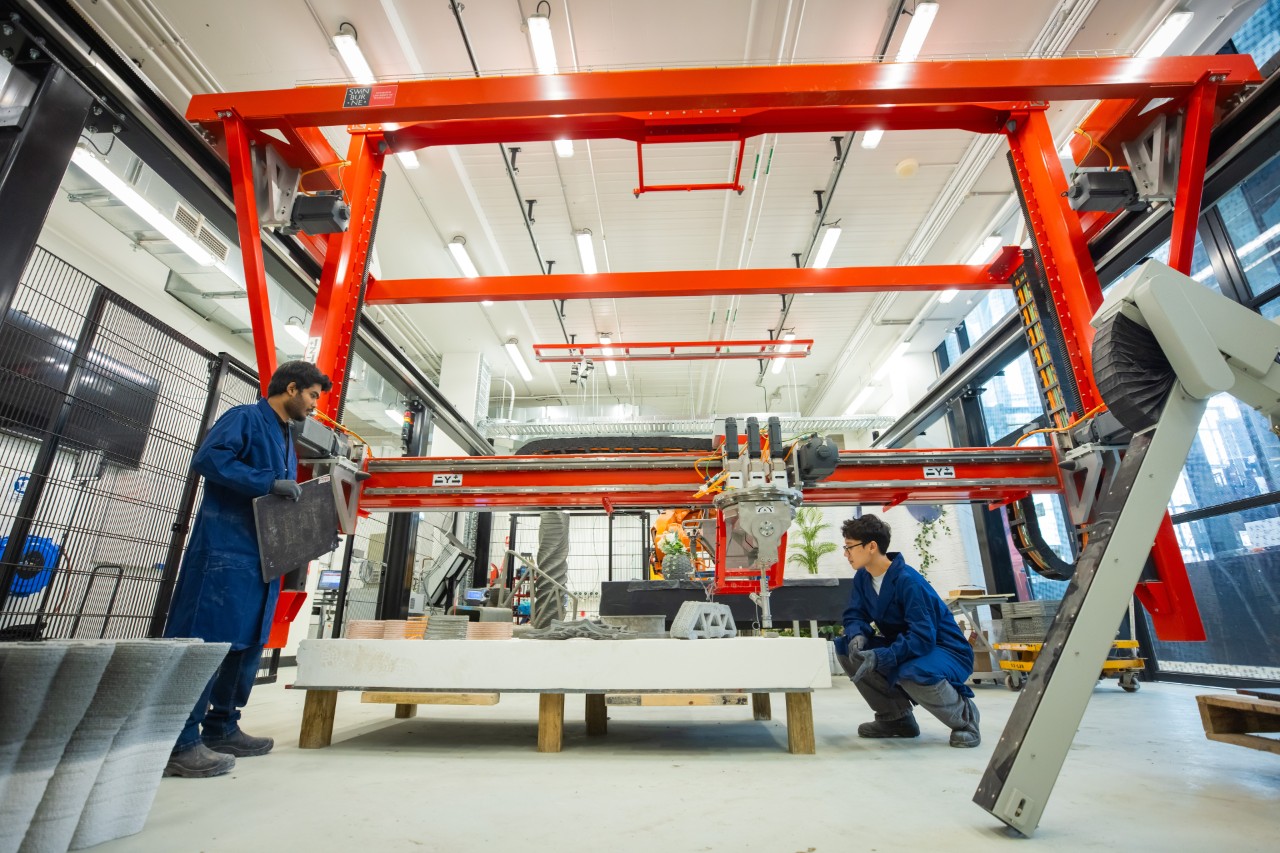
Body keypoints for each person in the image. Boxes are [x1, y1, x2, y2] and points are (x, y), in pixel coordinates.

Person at [162, 360, 332, 778]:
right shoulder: (244, 418)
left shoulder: (284, 437)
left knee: (247, 644)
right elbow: (209, 460)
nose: (313, 406)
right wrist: (267, 482)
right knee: (208, 643)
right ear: (291, 388)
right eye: (312, 396)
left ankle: (222, 725)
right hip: (225, 552)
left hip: (262, 558)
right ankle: (179, 741)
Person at [833, 513, 981, 748]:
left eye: (850, 547)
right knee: (845, 649)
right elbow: (855, 614)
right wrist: (857, 635)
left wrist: (882, 656)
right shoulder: (863, 578)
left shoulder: (907, 581)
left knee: (911, 671)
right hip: (909, 645)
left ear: (871, 546)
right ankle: (896, 719)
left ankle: (965, 719)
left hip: (944, 649)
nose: (846, 554)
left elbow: (923, 637)